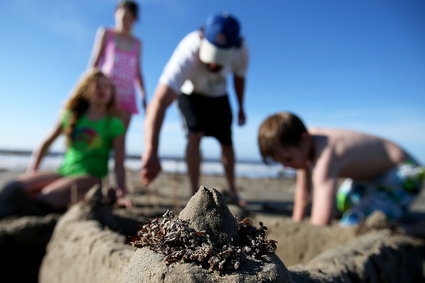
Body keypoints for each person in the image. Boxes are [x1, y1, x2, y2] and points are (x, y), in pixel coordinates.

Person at [140, 12, 249, 206]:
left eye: (220, 58)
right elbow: (158, 102)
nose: (215, 63)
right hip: (190, 93)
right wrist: (151, 150)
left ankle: (233, 191)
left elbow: (239, 78)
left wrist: (241, 107)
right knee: (195, 135)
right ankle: (194, 194)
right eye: (211, 55)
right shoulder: (188, 49)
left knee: (227, 141)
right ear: (202, 38)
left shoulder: (242, 50)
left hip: (219, 95)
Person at [0, 69, 130, 218]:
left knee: (46, 196)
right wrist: (32, 171)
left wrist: (121, 192)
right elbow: (45, 144)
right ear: (86, 89)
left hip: (91, 177)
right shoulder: (71, 116)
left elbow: (119, 164)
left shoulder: (113, 123)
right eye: (98, 85)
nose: (103, 90)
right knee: (12, 187)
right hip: (64, 172)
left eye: (107, 87)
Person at [258, 111, 424, 226]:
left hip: (404, 172)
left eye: (288, 159)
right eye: (280, 162)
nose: (286, 166)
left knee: (352, 224)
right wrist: (297, 223)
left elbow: (321, 222)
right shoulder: (304, 145)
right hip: (369, 178)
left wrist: (314, 230)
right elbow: (303, 191)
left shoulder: (325, 155)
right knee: (340, 205)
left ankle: (413, 230)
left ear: (305, 139)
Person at [89, 0, 147, 130]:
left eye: (131, 19)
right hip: (106, 92)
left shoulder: (137, 43)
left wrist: (143, 95)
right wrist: (89, 85)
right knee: (100, 133)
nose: (127, 22)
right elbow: (95, 61)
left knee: (120, 137)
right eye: (124, 17)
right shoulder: (105, 33)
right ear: (116, 14)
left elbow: (138, 72)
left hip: (128, 95)